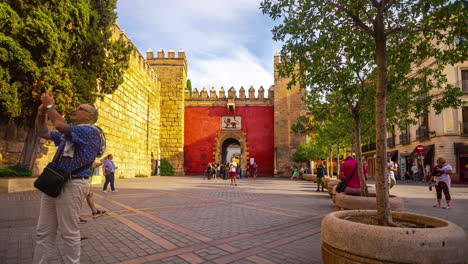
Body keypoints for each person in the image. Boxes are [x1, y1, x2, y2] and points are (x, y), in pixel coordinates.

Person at [33, 90, 104, 264]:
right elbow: (42, 132)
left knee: (69, 232)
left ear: (89, 116)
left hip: (73, 184)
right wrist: (41, 113)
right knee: (44, 231)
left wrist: (50, 105)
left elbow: (60, 125)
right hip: (56, 183)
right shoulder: (72, 134)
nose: (73, 109)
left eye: (79, 108)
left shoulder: (91, 131)